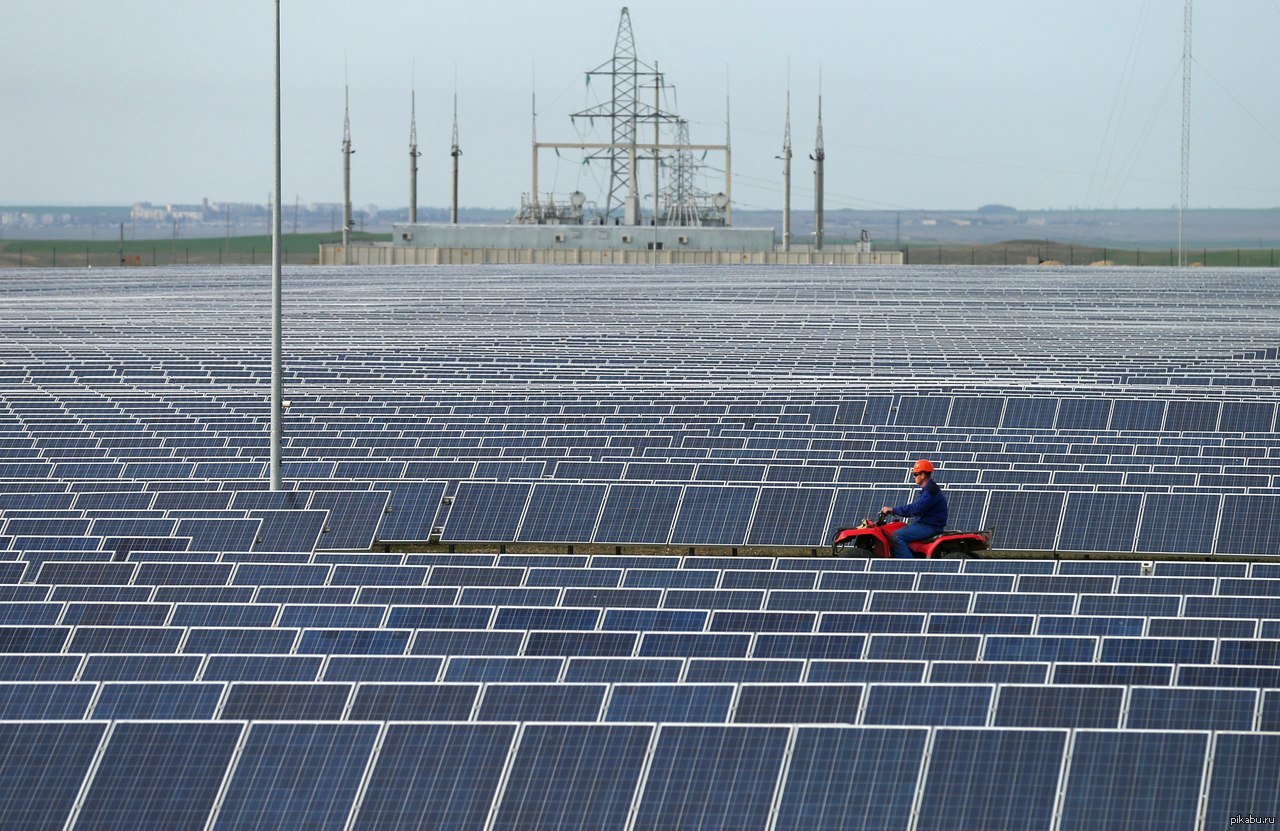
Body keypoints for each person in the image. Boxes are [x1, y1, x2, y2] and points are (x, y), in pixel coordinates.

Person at [881, 459, 948, 558]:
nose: (913, 477)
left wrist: (893, 509)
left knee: (897, 536)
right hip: (926, 523)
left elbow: (915, 509)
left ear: (923, 475)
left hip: (930, 526)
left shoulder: (930, 492)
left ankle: (908, 565)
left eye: (915, 474)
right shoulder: (929, 489)